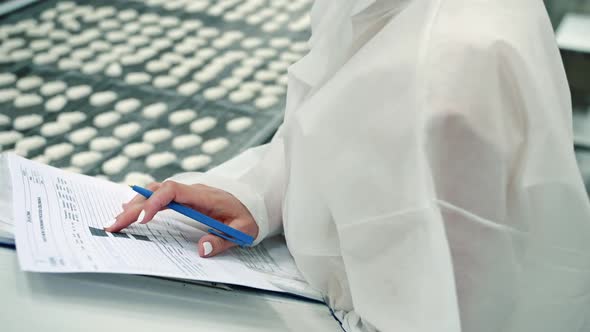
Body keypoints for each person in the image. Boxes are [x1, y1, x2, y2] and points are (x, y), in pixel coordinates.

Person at [106, 0, 590, 331]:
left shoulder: (453, 68)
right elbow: (328, 121)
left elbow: (443, 308)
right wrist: (258, 195)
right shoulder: (376, 8)